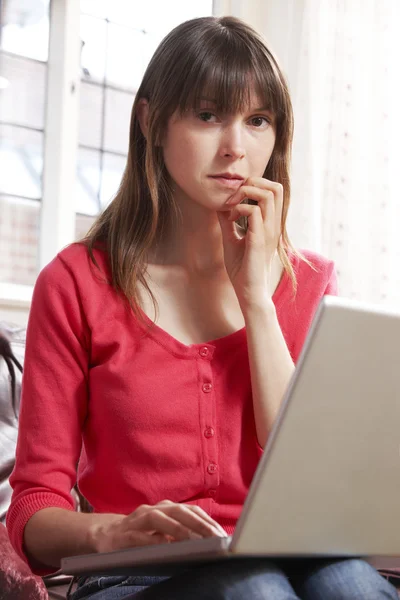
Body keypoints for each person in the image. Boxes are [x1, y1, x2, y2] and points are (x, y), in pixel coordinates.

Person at [6, 15, 397, 600]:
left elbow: (316, 480)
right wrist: (114, 533)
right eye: (208, 115)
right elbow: (34, 504)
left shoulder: (311, 283)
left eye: (257, 120)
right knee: (254, 589)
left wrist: (256, 300)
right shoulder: (76, 283)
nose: (236, 147)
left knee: (352, 584)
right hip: (135, 574)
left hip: (293, 561)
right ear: (152, 122)